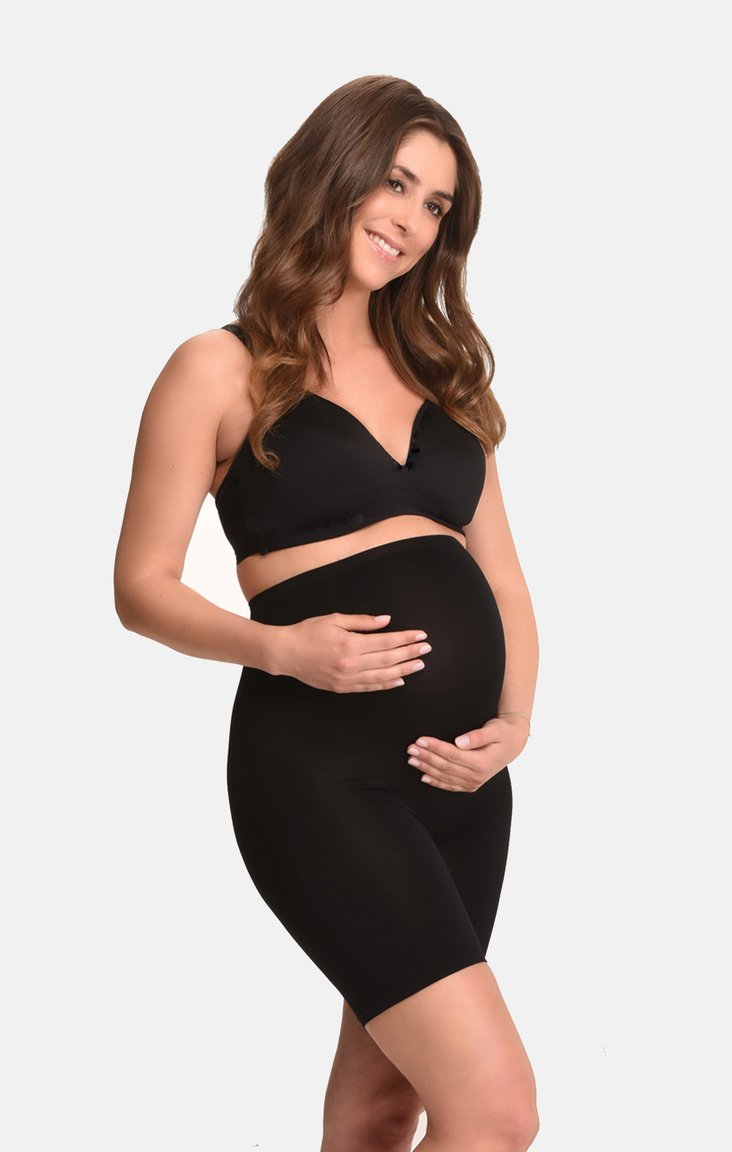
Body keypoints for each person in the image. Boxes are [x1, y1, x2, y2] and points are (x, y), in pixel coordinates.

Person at [114, 74, 541, 1151]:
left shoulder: (442, 378)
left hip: (464, 787)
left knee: (383, 1108)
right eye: (394, 182)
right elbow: (141, 586)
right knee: (495, 1113)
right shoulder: (219, 367)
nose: (411, 220)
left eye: (437, 205)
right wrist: (281, 649)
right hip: (320, 774)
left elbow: (502, 580)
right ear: (332, 171)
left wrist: (514, 723)